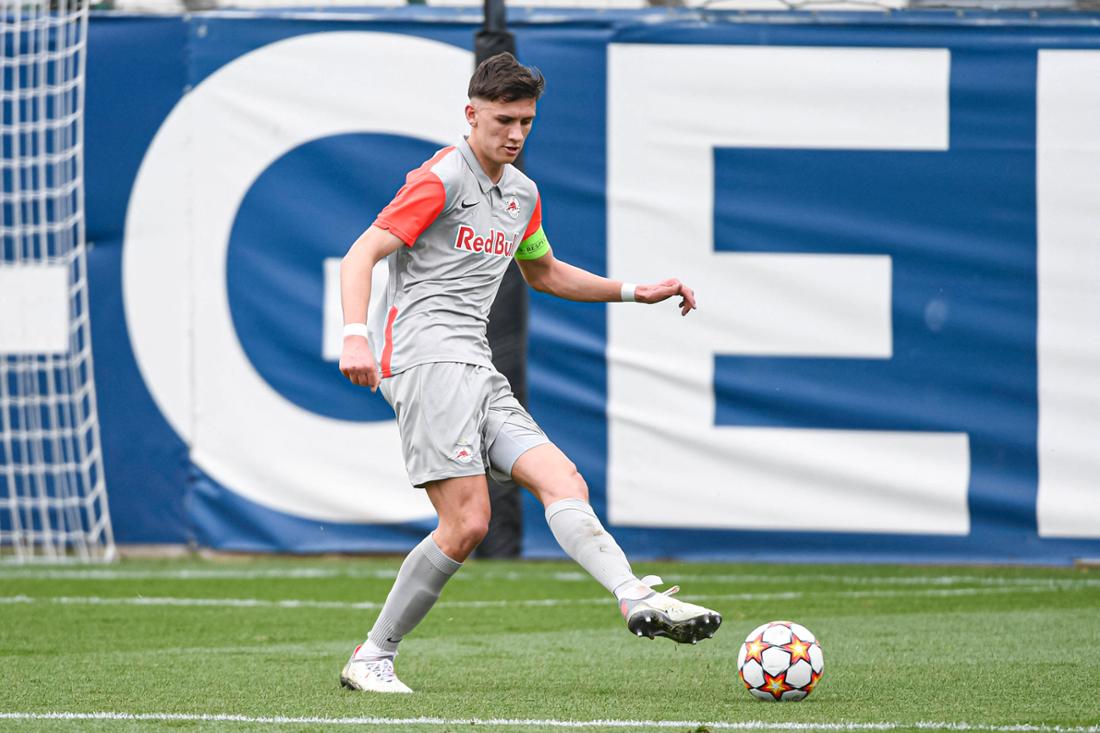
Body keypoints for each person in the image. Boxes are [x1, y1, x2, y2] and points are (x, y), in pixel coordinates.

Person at [337, 52, 721, 694]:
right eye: (503, 119)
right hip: (426, 361)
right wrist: (355, 335)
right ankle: (373, 655)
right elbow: (362, 252)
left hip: (475, 366)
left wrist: (636, 292)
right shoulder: (440, 178)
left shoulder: (521, 195)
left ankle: (633, 597)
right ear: (471, 114)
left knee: (562, 478)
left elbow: (543, 273)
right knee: (468, 524)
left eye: (526, 121)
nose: (514, 134)